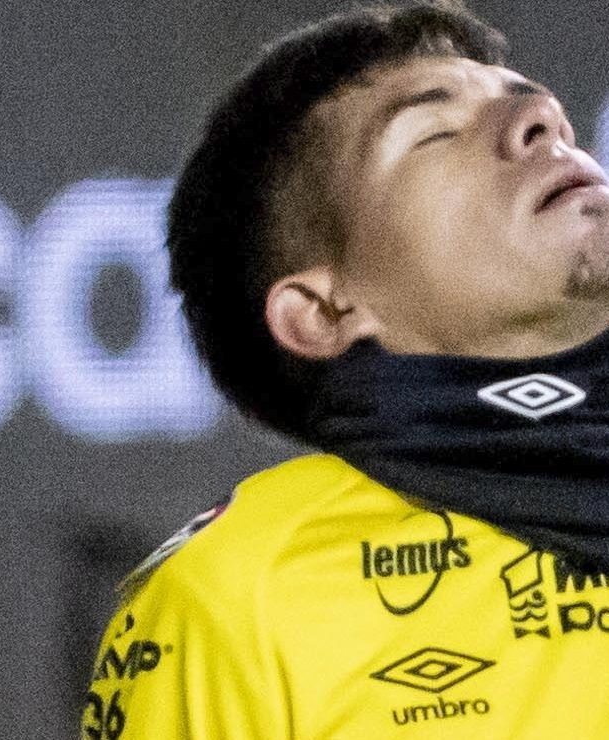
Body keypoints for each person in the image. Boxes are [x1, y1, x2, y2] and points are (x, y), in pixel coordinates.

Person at [82, 1, 609, 737]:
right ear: (324, 312)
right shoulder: (239, 597)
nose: (541, 120)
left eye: (543, 113)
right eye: (434, 133)